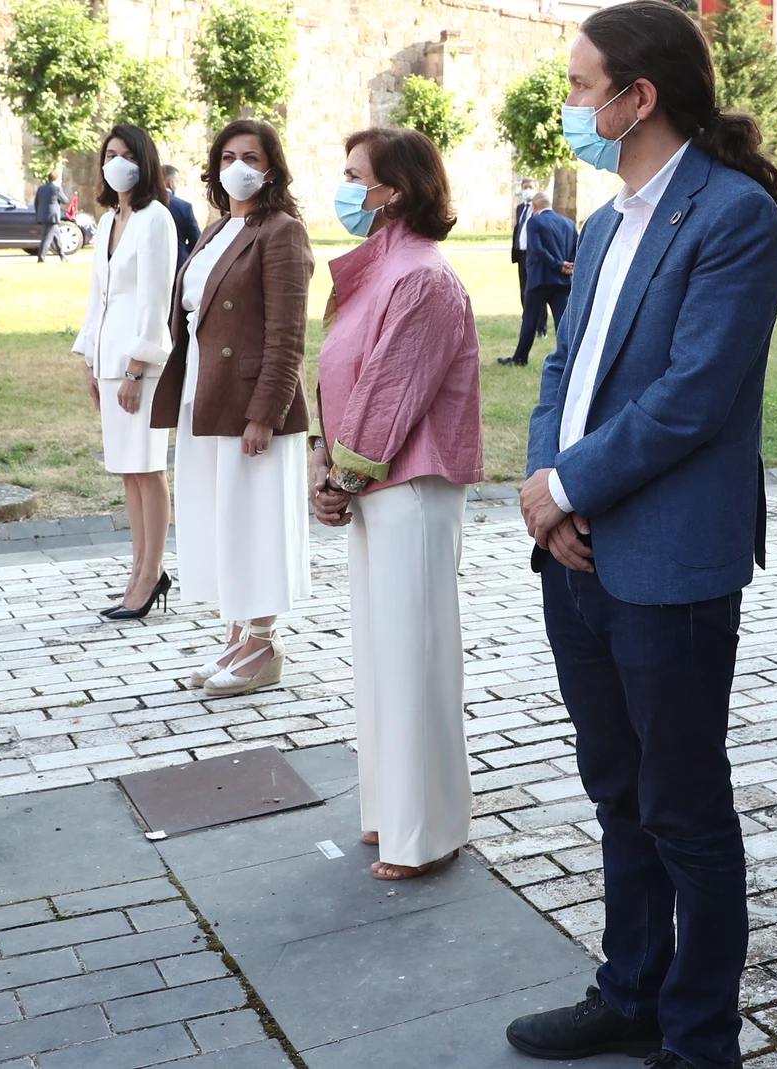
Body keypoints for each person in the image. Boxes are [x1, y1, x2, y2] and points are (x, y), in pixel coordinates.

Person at [503, 2, 777, 1066]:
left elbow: (692, 397)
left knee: (682, 806)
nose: (571, 106)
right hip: (576, 548)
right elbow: (560, 369)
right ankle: (629, 988)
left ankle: (697, 1033)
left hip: (667, 557)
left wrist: (568, 486)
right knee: (616, 790)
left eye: (583, 87)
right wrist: (548, 485)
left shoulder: (729, 218)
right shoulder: (599, 221)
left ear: (640, 97)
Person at [310, 127, 483, 881]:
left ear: (398, 190)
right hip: (373, 486)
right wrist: (329, 461)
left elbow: (390, 395)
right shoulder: (374, 272)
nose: (346, 189)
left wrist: (339, 477)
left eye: (357, 177)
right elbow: (346, 382)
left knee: (414, 660)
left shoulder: (422, 278)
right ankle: (390, 814)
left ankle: (428, 834)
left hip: (410, 487)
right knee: (383, 660)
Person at [151, 118, 314, 699]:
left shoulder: (282, 231)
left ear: (271, 167)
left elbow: (288, 334)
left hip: (251, 404)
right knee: (221, 518)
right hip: (205, 393)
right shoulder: (217, 227)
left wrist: (266, 412)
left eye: (250, 156)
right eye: (226, 157)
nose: (237, 166)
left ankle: (266, 643)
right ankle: (239, 631)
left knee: (256, 519)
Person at [73, 124, 176, 620]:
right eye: (110, 153)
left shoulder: (157, 218)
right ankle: (139, 568)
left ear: (145, 161)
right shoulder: (111, 218)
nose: (116, 162)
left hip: (140, 364)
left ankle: (152, 570)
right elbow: (100, 297)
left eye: (126, 154)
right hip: (109, 360)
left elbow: (156, 299)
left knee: (148, 468)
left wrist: (136, 368)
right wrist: (91, 360)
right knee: (128, 473)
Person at [502, 191, 576, 367]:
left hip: (540, 280)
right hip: (562, 281)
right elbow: (577, 247)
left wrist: (558, 264)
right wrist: (569, 265)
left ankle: (520, 358)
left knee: (530, 319)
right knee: (563, 323)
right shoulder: (568, 224)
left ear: (534, 207)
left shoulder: (534, 221)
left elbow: (537, 250)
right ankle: (569, 358)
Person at [163, 164, 202, 272]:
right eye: (177, 181)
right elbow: (197, 241)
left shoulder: (143, 205)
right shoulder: (184, 207)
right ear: (171, 182)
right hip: (177, 265)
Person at [510, 177, 537, 316]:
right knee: (523, 287)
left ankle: (540, 324)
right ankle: (526, 316)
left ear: (536, 189)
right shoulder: (520, 208)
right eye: (525, 187)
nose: (527, 190)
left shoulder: (539, 207)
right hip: (521, 254)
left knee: (535, 289)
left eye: (530, 187)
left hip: (534, 254)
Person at [35, 170, 67, 262]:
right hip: (52, 217)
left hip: (44, 216)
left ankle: (63, 256)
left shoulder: (41, 189)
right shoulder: (56, 189)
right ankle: (41, 258)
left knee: (57, 238)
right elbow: (65, 200)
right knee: (47, 239)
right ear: (56, 179)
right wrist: (61, 189)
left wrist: (39, 214)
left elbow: (36, 203)